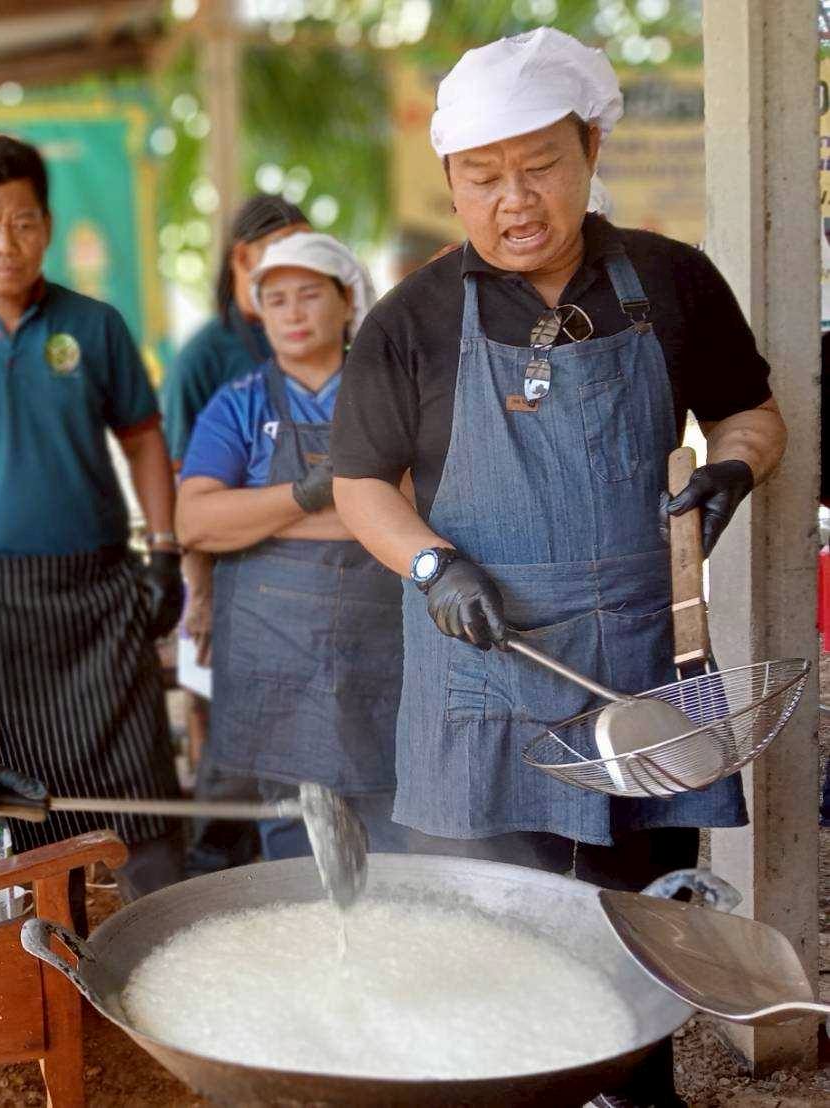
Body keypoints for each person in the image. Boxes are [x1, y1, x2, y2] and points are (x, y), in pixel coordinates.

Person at [328, 29, 786, 1105]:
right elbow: (359, 484)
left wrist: (731, 469)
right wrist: (433, 566)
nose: (514, 200)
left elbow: (749, 413)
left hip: (635, 663)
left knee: (640, 918)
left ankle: (636, 1089)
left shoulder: (669, 281)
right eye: (482, 177)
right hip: (482, 665)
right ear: (451, 181)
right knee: (493, 924)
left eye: (538, 166)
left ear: (590, 150)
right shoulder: (410, 319)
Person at [0, 134, 185, 918]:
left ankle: (170, 946)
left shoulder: (95, 325)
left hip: (100, 593)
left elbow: (144, 441)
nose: (3, 244)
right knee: (17, 813)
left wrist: (164, 551)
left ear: (46, 227)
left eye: (20, 224)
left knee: (143, 808)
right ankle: (44, 961)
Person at [176, 232, 408, 858]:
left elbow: (416, 510)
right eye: (276, 300)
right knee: (293, 837)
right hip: (273, 656)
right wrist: (309, 496)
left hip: (381, 651)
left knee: (395, 830)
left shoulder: (390, 392)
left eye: (309, 295)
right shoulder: (239, 404)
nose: (293, 313)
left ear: (347, 300)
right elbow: (194, 522)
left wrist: (254, 515)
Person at [161, 196, 309, 876]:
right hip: (230, 585)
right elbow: (181, 493)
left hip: (311, 589)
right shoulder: (205, 356)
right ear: (243, 258)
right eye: (284, 248)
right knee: (233, 763)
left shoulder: (319, 344)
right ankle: (216, 891)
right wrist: (200, 595)